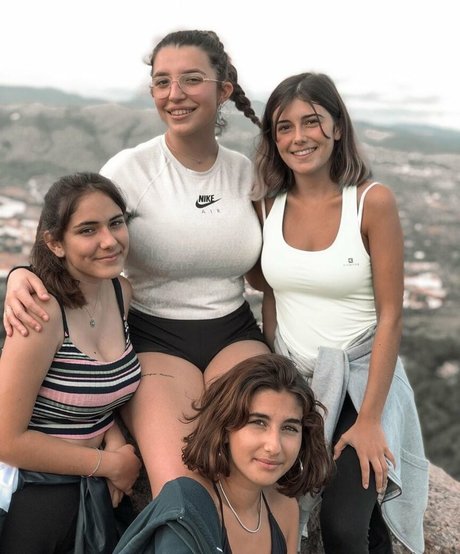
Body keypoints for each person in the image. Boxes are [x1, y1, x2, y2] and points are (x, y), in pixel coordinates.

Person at [2, 29, 269, 497]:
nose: (175, 94)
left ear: (224, 89)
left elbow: (268, 270)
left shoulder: (247, 173)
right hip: (155, 334)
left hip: (235, 330)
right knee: (182, 488)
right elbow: (72, 232)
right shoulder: (129, 169)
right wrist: (23, 274)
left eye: (191, 79)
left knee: (261, 474)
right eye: (162, 82)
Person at [255, 73, 429, 554]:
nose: (298, 137)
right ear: (274, 138)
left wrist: (370, 420)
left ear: (336, 126)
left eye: (311, 121)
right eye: (284, 127)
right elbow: (271, 293)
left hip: (360, 379)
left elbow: (391, 316)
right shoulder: (267, 205)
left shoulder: (371, 202)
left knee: (343, 524)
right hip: (294, 375)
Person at [0, 173, 142, 553]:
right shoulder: (41, 314)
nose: (109, 241)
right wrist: (110, 465)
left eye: (115, 223)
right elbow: (6, 440)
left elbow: (98, 390)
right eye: (87, 230)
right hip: (36, 489)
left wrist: (112, 436)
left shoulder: (120, 293)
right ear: (55, 243)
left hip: (89, 483)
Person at [113, 353, 333, 554]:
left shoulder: (285, 508)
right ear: (225, 428)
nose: (274, 446)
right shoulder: (187, 507)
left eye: (289, 428)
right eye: (258, 422)